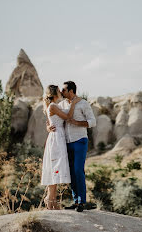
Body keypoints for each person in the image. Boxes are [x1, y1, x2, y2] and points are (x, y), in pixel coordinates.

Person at [47, 81, 96, 212]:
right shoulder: (61, 104)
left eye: (64, 90)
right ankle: (75, 202)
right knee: (71, 173)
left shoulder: (83, 103)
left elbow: (93, 121)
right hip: (65, 143)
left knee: (78, 170)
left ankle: (81, 202)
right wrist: (48, 127)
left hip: (80, 140)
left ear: (71, 91)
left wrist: (77, 122)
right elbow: (52, 117)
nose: (62, 92)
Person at [41, 84, 81, 210]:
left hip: (58, 137)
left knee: (55, 167)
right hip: (57, 138)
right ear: (54, 93)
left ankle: (51, 199)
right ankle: (50, 199)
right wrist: (74, 103)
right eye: (59, 91)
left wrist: (48, 127)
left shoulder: (53, 106)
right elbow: (68, 117)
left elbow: (50, 122)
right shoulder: (53, 106)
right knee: (55, 167)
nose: (61, 92)